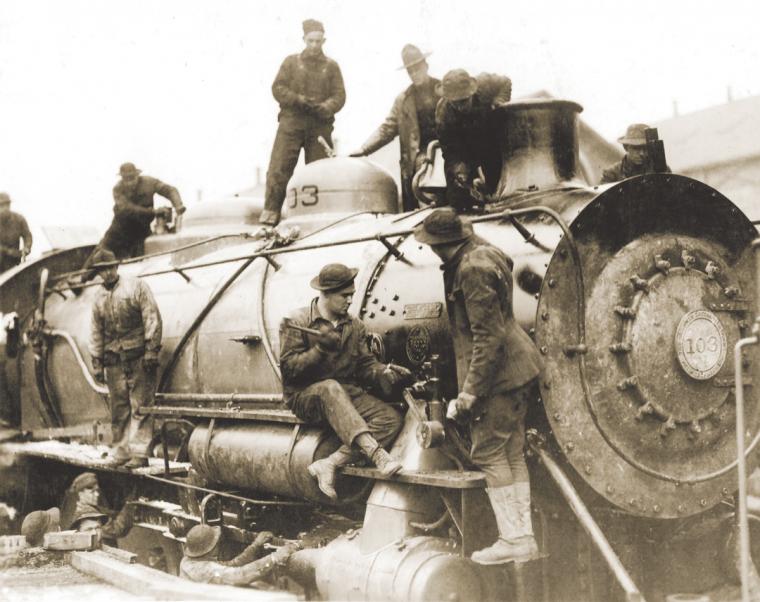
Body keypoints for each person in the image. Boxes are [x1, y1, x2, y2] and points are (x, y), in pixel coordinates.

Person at [414, 208, 542, 565]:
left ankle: (514, 538)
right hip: (518, 369)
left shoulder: (471, 270)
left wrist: (470, 392)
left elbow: (488, 338)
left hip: (499, 375)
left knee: (487, 453)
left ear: (442, 245)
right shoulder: (485, 251)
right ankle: (523, 537)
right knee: (512, 451)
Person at [279, 263, 412, 500]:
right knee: (330, 388)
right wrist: (319, 349)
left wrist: (384, 371)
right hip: (305, 396)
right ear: (326, 294)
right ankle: (377, 454)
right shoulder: (298, 320)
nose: (350, 301)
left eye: (351, 295)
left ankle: (330, 462)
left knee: (390, 420)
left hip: (343, 392)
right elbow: (289, 372)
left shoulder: (354, 326)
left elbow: (364, 366)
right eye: (344, 296)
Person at [260, 19, 346, 226]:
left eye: (318, 41)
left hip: (319, 126)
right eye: (311, 41)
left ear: (324, 40)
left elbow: (340, 95)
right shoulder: (291, 63)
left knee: (320, 170)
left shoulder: (331, 66)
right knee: (280, 166)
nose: (315, 46)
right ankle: (270, 214)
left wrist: (326, 107)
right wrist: (298, 100)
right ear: (304, 40)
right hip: (292, 122)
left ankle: (320, 217)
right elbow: (277, 88)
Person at [89, 249, 162, 469]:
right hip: (114, 360)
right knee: (119, 408)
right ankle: (121, 451)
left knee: (140, 405)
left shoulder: (136, 287)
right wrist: (97, 362)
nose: (108, 273)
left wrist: (151, 349)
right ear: (99, 273)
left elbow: (151, 316)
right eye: (103, 270)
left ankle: (139, 453)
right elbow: (96, 331)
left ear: (117, 266)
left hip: (138, 356)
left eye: (111, 268)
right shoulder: (98, 298)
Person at [349, 44, 441, 212]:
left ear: (426, 66)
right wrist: (364, 148)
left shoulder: (443, 90)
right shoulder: (403, 100)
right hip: (419, 161)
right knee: (422, 207)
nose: (414, 74)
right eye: (410, 71)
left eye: (417, 68)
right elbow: (388, 128)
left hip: (445, 153)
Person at [78, 163, 185, 284]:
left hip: (141, 228)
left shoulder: (149, 182)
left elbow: (169, 190)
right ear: (122, 178)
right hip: (120, 229)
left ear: (137, 175)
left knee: (143, 256)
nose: (129, 182)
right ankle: (82, 279)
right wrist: (153, 212)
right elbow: (127, 209)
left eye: (132, 178)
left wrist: (178, 205)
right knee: (103, 250)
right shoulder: (117, 189)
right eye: (126, 179)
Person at [435, 69, 512, 212]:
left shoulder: (486, 84)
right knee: (458, 199)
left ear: (472, 91)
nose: (460, 107)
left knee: (499, 192)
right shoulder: (443, 115)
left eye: (463, 101)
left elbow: (505, 82)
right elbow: (449, 150)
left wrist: (499, 101)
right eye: (455, 103)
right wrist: (458, 167)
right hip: (463, 149)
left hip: (489, 142)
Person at [179, 524, 300, 586]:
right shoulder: (206, 570)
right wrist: (274, 558)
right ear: (211, 549)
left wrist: (255, 545)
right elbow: (241, 574)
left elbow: (231, 565)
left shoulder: (187, 561)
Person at [599, 123, 672, 184]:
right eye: (636, 148)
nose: (642, 153)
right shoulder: (612, 174)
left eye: (645, 148)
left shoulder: (661, 169)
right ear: (626, 147)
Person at [0, 192, 32, 274]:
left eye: (7, 205)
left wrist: (27, 247)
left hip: (14, 261)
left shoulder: (19, 219)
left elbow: (27, 235)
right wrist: (6, 251)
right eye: (1, 206)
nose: (4, 208)